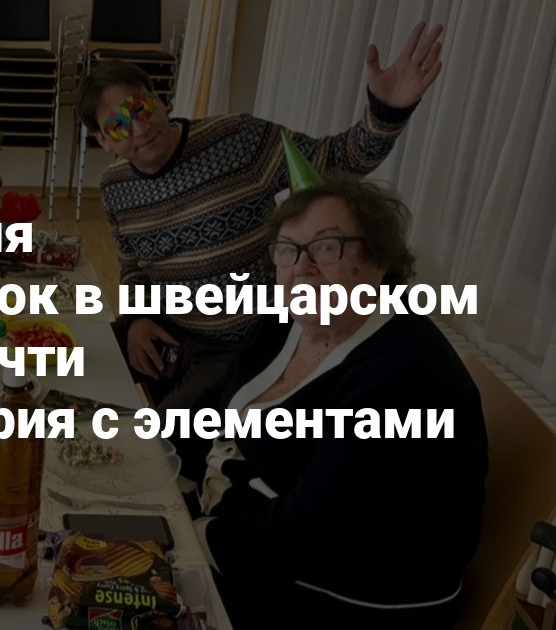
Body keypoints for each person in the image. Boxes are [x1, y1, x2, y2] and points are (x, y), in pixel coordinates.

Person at [75, 22, 446, 410]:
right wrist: (137, 319)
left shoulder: (238, 139)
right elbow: (133, 266)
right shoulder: (114, 187)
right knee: (72, 365)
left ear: (158, 98)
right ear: (104, 141)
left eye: (140, 108)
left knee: (165, 434)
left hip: (244, 343)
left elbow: (335, 160)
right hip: (169, 330)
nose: (138, 128)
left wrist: (387, 111)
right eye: (118, 126)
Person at [186, 177, 488, 629]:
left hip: (344, 593)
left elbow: (310, 528)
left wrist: (192, 538)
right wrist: (152, 453)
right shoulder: (289, 320)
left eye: (327, 248)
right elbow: (215, 404)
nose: (301, 268)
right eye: (287, 249)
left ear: (379, 260)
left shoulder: (402, 374)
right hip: (255, 530)